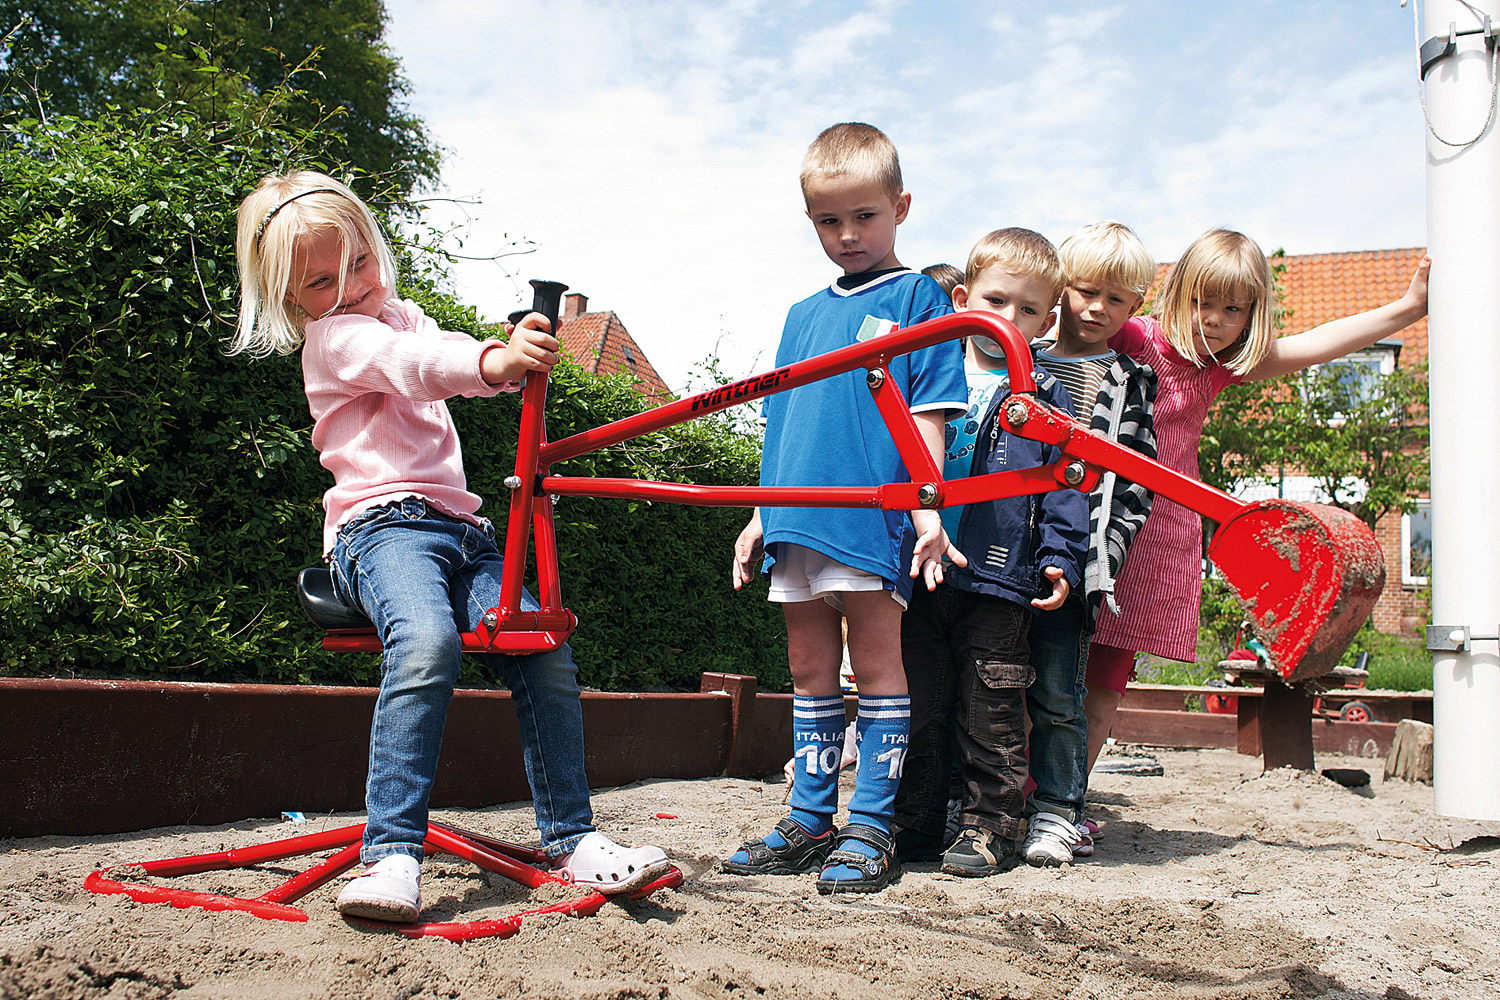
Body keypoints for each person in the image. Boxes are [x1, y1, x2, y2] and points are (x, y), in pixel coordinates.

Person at [230, 171, 671, 923]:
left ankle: (572, 838)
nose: (352, 289)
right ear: (289, 300)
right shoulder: (337, 341)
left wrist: (504, 359)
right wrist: (493, 361)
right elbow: (408, 365)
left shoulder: (405, 316)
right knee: (428, 641)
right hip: (380, 530)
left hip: (461, 531)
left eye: (361, 263)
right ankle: (392, 853)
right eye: (321, 282)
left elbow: (443, 356)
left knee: (541, 643)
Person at [1082, 228, 1431, 800]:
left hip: (1160, 536)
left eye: (1232, 309)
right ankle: (1017, 792)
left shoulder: (1216, 368)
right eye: (1201, 302)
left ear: (1250, 316)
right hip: (1097, 522)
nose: (1213, 319)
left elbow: (1316, 344)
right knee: (1048, 668)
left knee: (1106, 684)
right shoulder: (1131, 336)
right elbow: (1065, 315)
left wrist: (1408, 307)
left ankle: (1067, 798)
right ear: (1172, 294)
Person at [723, 123, 968, 894]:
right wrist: (760, 513)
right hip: (796, 514)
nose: (848, 234)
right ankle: (809, 816)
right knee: (806, 666)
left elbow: (928, 414)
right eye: (830, 220)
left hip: (871, 517)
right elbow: (782, 419)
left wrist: (929, 513)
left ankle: (872, 825)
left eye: (864, 216)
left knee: (877, 665)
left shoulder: (919, 299)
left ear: (900, 207)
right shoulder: (801, 314)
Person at [892, 228, 1087, 876]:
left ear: (1047, 321)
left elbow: (1065, 483)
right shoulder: (927, 377)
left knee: (991, 710)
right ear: (961, 298)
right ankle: (914, 826)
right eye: (996, 301)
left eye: (1027, 311)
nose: (1008, 320)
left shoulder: (1042, 396)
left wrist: (1060, 556)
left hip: (1002, 579)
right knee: (921, 707)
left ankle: (989, 829)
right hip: (924, 570)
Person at [1020, 221, 1159, 865]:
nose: (1098, 308)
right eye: (1084, 291)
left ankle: (1060, 810)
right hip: (1008, 543)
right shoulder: (1021, 357)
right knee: (990, 680)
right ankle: (993, 801)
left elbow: (1138, 475)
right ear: (1060, 290)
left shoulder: (1129, 380)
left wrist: (1107, 552)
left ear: (1136, 307)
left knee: (1059, 688)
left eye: (1118, 299)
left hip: (1077, 555)